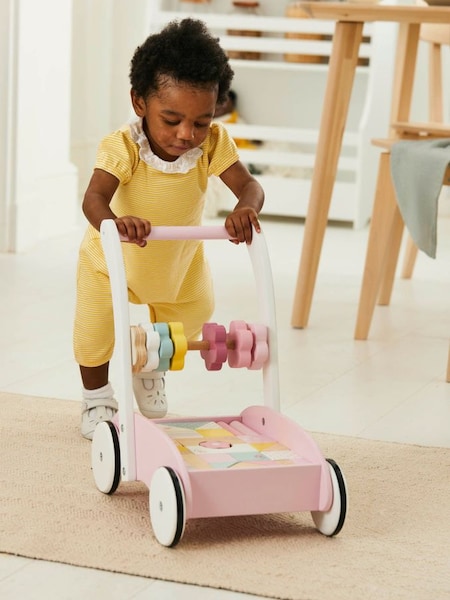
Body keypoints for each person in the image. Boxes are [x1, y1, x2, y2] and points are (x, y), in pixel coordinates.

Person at [73, 18, 264, 440]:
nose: (186, 134)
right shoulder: (123, 147)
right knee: (94, 327)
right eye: (172, 119)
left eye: (200, 121)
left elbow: (249, 185)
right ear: (139, 102)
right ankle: (97, 399)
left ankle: (151, 365)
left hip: (175, 261)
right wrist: (115, 223)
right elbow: (92, 198)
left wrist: (244, 209)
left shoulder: (213, 144)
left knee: (197, 308)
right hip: (112, 259)